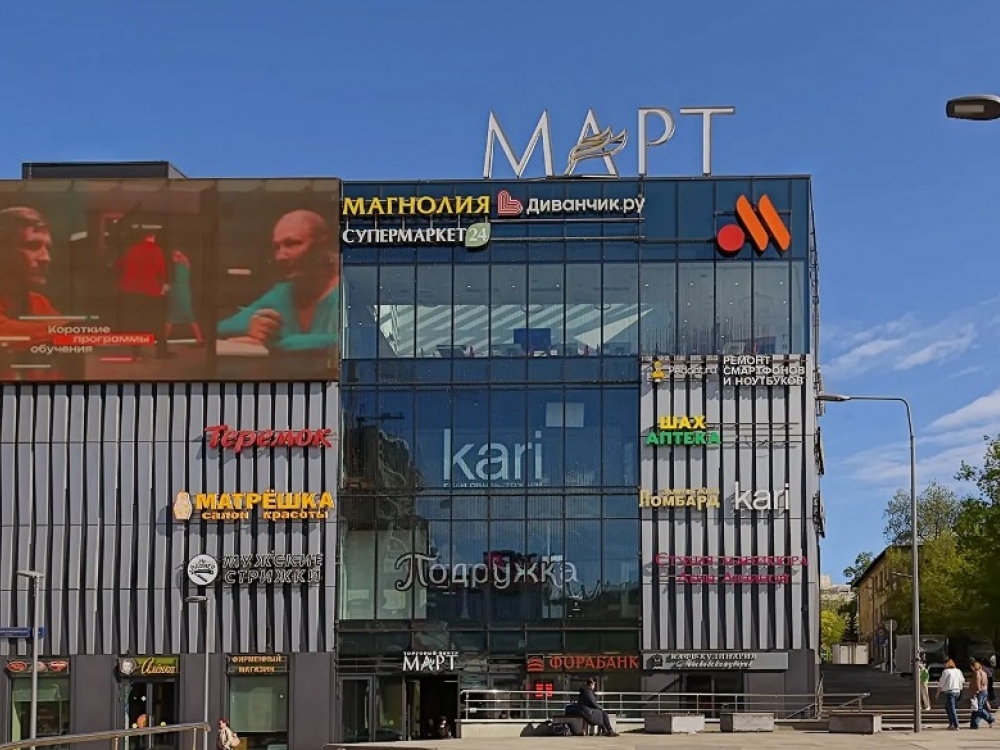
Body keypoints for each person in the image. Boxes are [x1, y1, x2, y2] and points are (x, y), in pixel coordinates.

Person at [217, 210, 339, 354]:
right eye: (276, 247)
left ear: (322, 246)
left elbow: (352, 341)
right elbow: (220, 328)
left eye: (292, 244)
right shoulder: (283, 294)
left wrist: (276, 343)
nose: (280, 257)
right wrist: (253, 327)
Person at [115, 232, 172, 359]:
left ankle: (136, 350)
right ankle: (161, 351)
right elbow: (161, 270)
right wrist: (163, 285)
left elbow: (120, 264)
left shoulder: (132, 249)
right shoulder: (155, 250)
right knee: (158, 321)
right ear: (153, 237)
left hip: (131, 291)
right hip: (150, 290)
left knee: (136, 321)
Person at [165, 249, 203, 345]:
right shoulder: (185, 265)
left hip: (178, 292)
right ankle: (199, 339)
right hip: (182, 291)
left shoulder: (178, 267)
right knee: (187, 317)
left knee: (172, 317)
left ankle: (163, 340)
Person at [937, 658, 964, 730]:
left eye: (945, 663)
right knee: (948, 707)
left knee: (952, 708)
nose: (944, 665)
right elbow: (962, 680)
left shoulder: (946, 671)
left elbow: (941, 683)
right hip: (957, 691)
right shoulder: (958, 671)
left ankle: (956, 725)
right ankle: (952, 723)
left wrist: (938, 693)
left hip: (950, 691)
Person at [969, 660, 994, 729]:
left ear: (973, 666)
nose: (971, 668)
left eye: (971, 667)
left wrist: (976, 691)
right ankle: (974, 724)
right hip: (984, 691)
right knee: (976, 708)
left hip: (980, 691)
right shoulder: (984, 672)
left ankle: (990, 718)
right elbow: (986, 682)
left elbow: (977, 682)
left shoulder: (977, 673)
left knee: (978, 709)